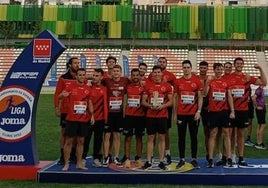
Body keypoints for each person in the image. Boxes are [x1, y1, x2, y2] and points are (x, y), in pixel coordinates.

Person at [228, 57, 267, 166]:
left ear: (243, 65)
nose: (239, 65)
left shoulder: (247, 77)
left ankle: (241, 157)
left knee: (240, 134)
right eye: (237, 63)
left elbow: (264, 82)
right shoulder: (229, 77)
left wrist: (260, 69)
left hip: (243, 110)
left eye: (241, 63)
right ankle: (231, 156)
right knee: (231, 134)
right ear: (234, 65)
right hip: (231, 110)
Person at [58, 68, 95, 171]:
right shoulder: (70, 87)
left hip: (83, 119)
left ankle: (79, 163)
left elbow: (89, 102)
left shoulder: (88, 88)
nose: (82, 76)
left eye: (83, 75)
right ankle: (66, 163)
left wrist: (92, 115)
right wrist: (62, 95)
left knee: (81, 141)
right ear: (76, 76)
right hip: (72, 119)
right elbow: (59, 96)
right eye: (80, 75)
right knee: (69, 141)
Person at [142, 65, 173, 170]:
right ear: (152, 74)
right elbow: (143, 101)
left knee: (161, 138)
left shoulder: (167, 86)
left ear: (162, 73)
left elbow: (171, 101)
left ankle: (161, 161)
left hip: (162, 115)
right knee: (150, 138)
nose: (156, 74)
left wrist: (162, 106)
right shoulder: (148, 86)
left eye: (158, 72)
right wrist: (150, 106)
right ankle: (149, 161)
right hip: (150, 115)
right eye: (154, 72)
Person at [173, 60, 203, 169]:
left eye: (188, 67)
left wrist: (199, 111)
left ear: (191, 68)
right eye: (184, 67)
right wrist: (175, 114)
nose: (186, 69)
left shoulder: (197, 81)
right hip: (181, 114)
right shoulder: (178, 82)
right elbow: (176, 98)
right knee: (181, 137)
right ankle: (182, 159)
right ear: (182, 68)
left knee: (193, 137)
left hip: (193, 114)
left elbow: (200, 97)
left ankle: (194, 159)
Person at [205, 63, 235, 168]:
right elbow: (204, 93)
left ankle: (229, 158)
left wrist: (232, 110)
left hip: (224, 111)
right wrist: (207, 83)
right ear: (214, 70)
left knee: (226, 133)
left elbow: (229, 96)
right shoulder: (211, 81)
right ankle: (211, 159)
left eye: (221, 69)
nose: (219, 71)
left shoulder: (225, 82)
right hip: (213, 111)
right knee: (213, 134)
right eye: (217, 69)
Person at [148, 57, 176, 164]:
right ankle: (152, 155)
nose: (162, 63)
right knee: (152, 134)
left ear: (166, 64)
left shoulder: (171, 75)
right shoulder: (152, 75)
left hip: (165, 107)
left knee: (165, 132)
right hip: (153, 106)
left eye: (164, 62)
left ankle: (167, 152)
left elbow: (175, 89)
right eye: (160, 62)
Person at [102, 64, 130, 166]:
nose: (116, 73)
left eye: (118, 71)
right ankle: (106, 157)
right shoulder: (106, 81)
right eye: (114, 71)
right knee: (107, 135)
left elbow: (136, 82)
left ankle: (116, 156)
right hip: (108, 113)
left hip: (119, 113)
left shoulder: (125, 80)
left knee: (117, 135)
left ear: (121, 72)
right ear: (111, 72)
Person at [54, 57, 80, 165]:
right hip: (65, 110)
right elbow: (57, 94)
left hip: (78, 110)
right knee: (64, 133)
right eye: (75, 63)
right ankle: (62, 156)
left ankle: (73, 155)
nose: (77, 65)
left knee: (76, 134)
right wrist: (57, 107)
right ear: (69, 65)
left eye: (78, 63)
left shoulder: (81, 78)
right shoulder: (63, 78)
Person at [82, 68, 108, 167]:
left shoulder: (104, 89)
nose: (94, 77)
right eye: (93, 75)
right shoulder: (88, 87)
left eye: (97, 76)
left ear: (101, 77)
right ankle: (83, 158)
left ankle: (96, 158)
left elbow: (105, 104)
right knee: (86, 139)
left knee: (98, 139)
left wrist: (105, 118)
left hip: (100, 118)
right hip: (88, 118)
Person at [123, 68, 145, 168]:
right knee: (128, 137)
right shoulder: (127, 86)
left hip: (140, 116)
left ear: (140, 76)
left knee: (139, 137)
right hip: (129, 115)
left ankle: (138, 158)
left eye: (137, 75)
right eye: (134, 75)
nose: (135, 77)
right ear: (131, 76)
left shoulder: (144, 87)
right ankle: (127, 158)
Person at [196, 60, 211, 161]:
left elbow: (207, 92)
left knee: (207, 132)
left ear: (207, 69)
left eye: (204, 68)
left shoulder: (210, 79)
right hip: (195, 108)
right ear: (199, 68)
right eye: (201, 68)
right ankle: (194, 156)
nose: (203, 70)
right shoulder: (195, 78)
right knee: (194, 132)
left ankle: (208, 153)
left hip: (207, 108)